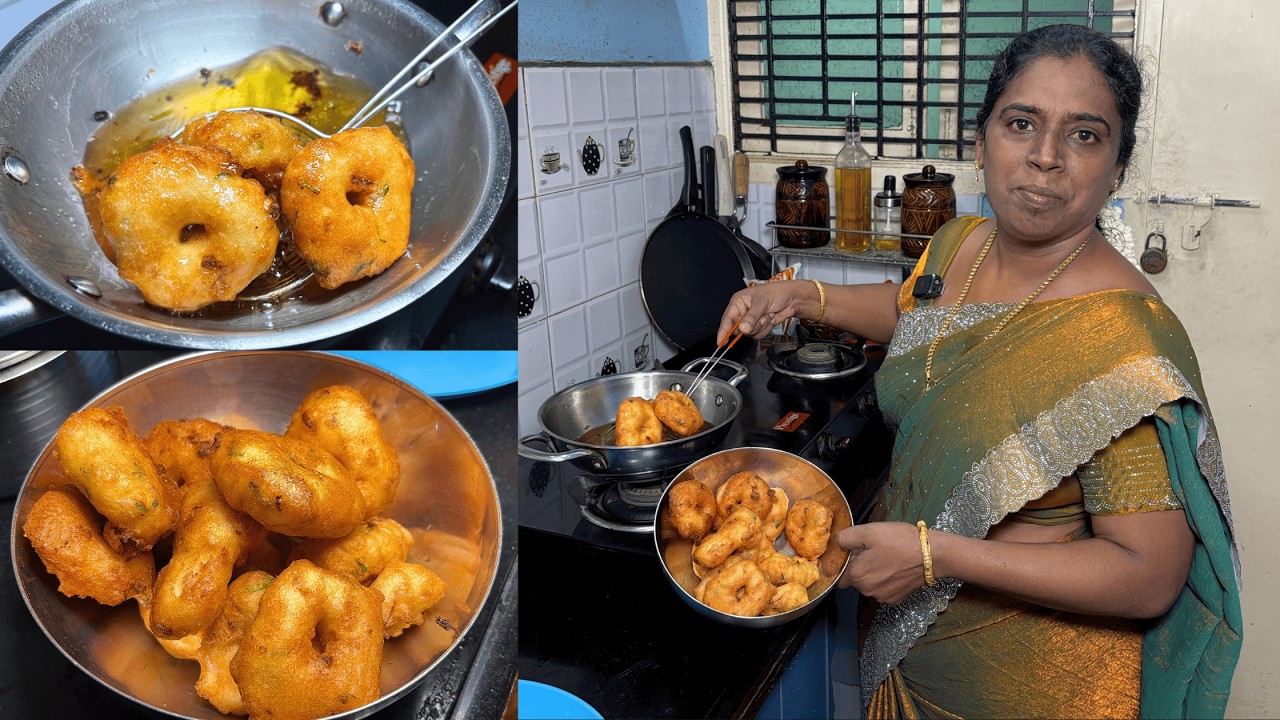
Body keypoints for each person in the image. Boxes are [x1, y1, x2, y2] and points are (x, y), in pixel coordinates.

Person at [716, 24, 1241, 719]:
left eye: (1084, 134)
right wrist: (805, 295)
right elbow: (922, 320)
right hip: (914, 649)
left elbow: (1148, 576)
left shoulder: (1120, 344)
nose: (1045, 157)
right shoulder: (960, 241)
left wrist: (938, 558)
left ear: (1118, 168)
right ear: (981, 141)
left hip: (1032, 681)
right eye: (1021, 123)